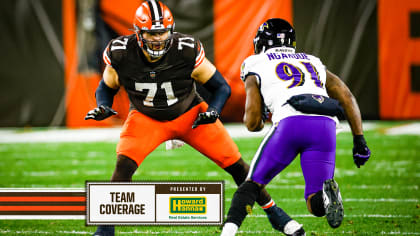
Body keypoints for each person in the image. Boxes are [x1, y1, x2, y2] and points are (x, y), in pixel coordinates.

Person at [85, 1, 288, 235]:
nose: (158, 38)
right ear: (138, 33)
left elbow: (220, 87)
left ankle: (275, 212)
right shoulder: (121, 52)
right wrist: (103, 105)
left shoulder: (185, 49)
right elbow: (106, 86)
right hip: (146, 117)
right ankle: (105, 228)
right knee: (123, 167)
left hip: (190, 114)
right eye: (152, 33)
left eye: (162, 32)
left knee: (237, 166)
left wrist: (213, 111)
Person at [220, 18, 371, 236]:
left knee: (252, 184)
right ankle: (326, 196)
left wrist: (261, 117)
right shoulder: (312, 60)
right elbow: (346, 95)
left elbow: (251, 123)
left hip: (291, 121)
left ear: (261, 42)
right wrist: (359, 139)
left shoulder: (255, 62)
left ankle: (228, 232)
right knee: (316, 205)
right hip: (325, 126)